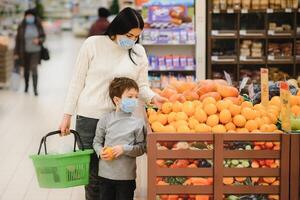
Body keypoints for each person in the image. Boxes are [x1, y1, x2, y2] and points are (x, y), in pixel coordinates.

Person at [59, 7, 166, 200]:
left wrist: (152, 97)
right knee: (92, 175)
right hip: (89, 117)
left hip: (120, 121)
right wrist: (66, 115)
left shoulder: (138, 52)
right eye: (129, 35)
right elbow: (77, 81)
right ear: (117, 28)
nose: (132, 40)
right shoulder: (92, 44)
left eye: (136, 36)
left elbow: (141, 86)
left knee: (116, 176)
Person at [93, 77, 146, 200]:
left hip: (126, 178)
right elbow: (97, 142)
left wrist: (124, 149)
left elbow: (142, 148)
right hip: (105, 176)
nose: (134, 100)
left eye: (136, 97)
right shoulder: (105, 120)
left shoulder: (138, 123)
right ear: (117, 100)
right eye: (130, 97)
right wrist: (100, 151)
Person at [14, 9, 45, 96]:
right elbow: (17, 40)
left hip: (36, 51)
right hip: (24, 52)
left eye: (31, 16)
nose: (29, 17)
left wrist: (39, 40)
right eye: (28, 16)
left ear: (34, 17)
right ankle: (26, 86)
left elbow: (43, 37)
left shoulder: (38, 25)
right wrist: (16, 53)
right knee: (26, 70)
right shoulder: (22, 26)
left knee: (34, 68)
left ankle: (35, 89)